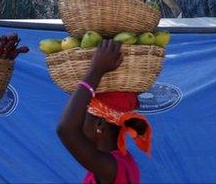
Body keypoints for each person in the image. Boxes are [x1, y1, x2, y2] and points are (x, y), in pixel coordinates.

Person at [57, 40, 152, 183]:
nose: (79, 124)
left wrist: (96, 71)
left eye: (83, 118)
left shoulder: (111, 168)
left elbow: (66, 130)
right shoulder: (122, 162)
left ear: (100, 124)